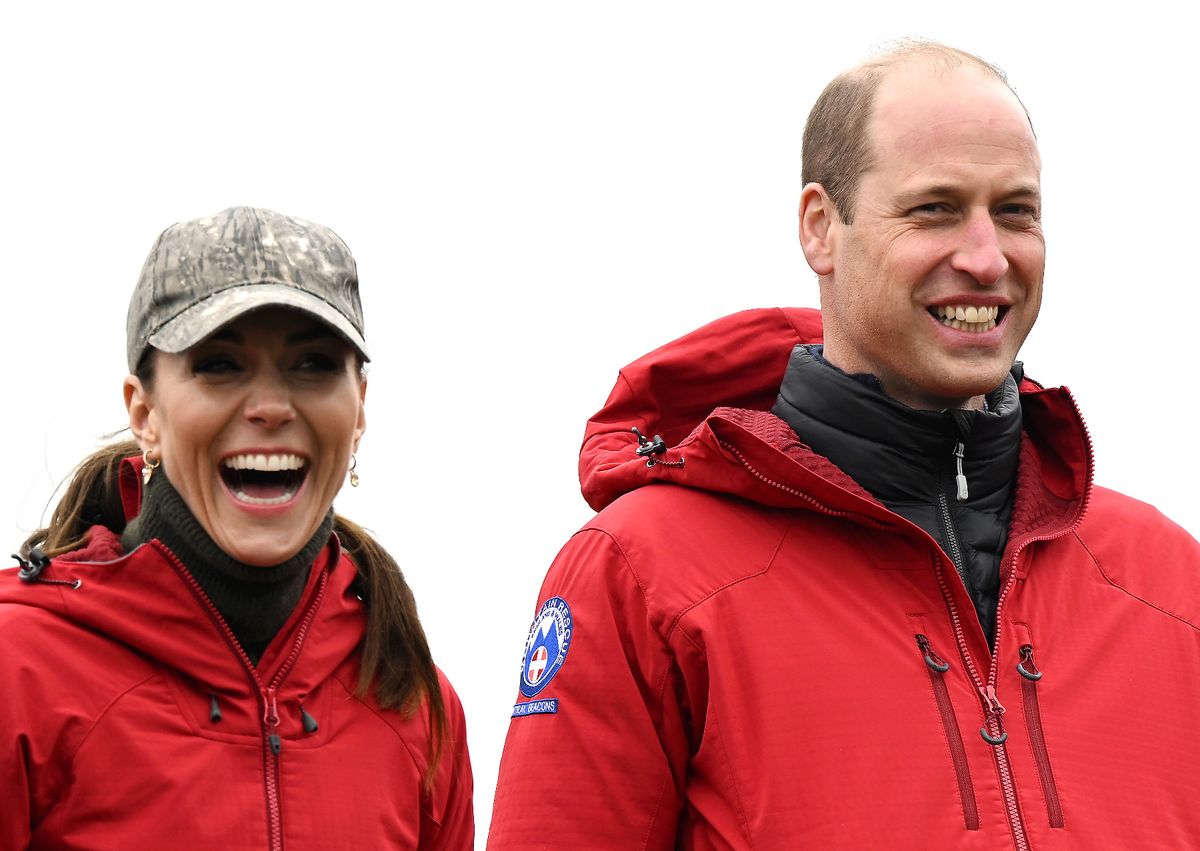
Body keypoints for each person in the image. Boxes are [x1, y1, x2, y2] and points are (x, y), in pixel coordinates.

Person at [487, 42, 1200, 849]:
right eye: (933, 208)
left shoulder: (1172, 583)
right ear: (821, 229)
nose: (985, 256)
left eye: (1015, 211)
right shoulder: (643, 571)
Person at [1, 207, 473, 849]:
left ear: (360, 406)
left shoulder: (413, 701)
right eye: (219, 365)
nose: (272, 407)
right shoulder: (18, 670)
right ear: (145, 412)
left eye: (313, 364)